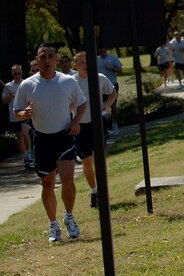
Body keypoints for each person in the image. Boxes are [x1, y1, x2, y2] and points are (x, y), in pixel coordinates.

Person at [13, 43, 87, 242]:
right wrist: (23, 114)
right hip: (42, 139)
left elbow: (81, 104)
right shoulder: (27, 85)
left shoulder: (67, 81)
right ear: (37, 60)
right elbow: (17, 111)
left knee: (68, 181)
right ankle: (53, 224)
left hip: (63, 136)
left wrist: (76, 121)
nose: (46, 60)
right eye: (42, 57)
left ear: (56, 59)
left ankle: (69, 216)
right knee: (47, 184)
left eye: (50, 56)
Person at [72, 52, 117, 207]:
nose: (85, 64)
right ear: (75, 65)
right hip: (80, 126)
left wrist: (107, 105)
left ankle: (103, 192)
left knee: (99, 159)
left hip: (98, 123)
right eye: (81, 62)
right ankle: (94, 190)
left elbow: (113, 93)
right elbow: (65, 101)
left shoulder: (100, 78)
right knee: (86, 162)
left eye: (87, 61)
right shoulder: (71, 82)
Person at [2, 64, 33, 167]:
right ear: (12, 74)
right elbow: (4, 101)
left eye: (19, 73)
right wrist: (10, 96)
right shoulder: (8, 86)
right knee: (19, 136)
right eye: (15, 73)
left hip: (25, 114)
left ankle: (29, 152)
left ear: (22, 73)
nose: (17, 75)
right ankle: (26, 156)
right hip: (14, 115)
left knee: (25, 133)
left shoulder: (26, 83)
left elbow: (31, 99)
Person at [97, 47, 122, 136]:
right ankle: (105, 128)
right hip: (101, 87)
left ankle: (114, 124)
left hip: (113, 84)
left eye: (103, 50)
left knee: (113, 106)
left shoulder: (113, 58)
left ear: (106, 49)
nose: (102, 52)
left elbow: (120, 71)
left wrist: (112, 68)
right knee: (102, 106)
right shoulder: (96, 60)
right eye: (100, 50)